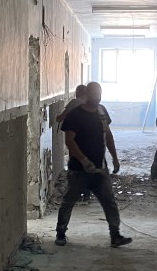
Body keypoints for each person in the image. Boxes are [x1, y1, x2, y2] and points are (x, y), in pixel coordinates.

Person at [55, 82, 132, 248]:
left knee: (109, 202)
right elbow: (69, 141)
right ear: (87, 95)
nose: (98, 97)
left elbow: (108, 136)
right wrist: (83, 160)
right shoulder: (75, 115)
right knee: (69, 201)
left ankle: (115, 235)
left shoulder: (101, 112)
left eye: (99, 94)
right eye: (95, 94)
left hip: (99, 168)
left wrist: (115, 158)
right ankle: (60, 233)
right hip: (78, 170)